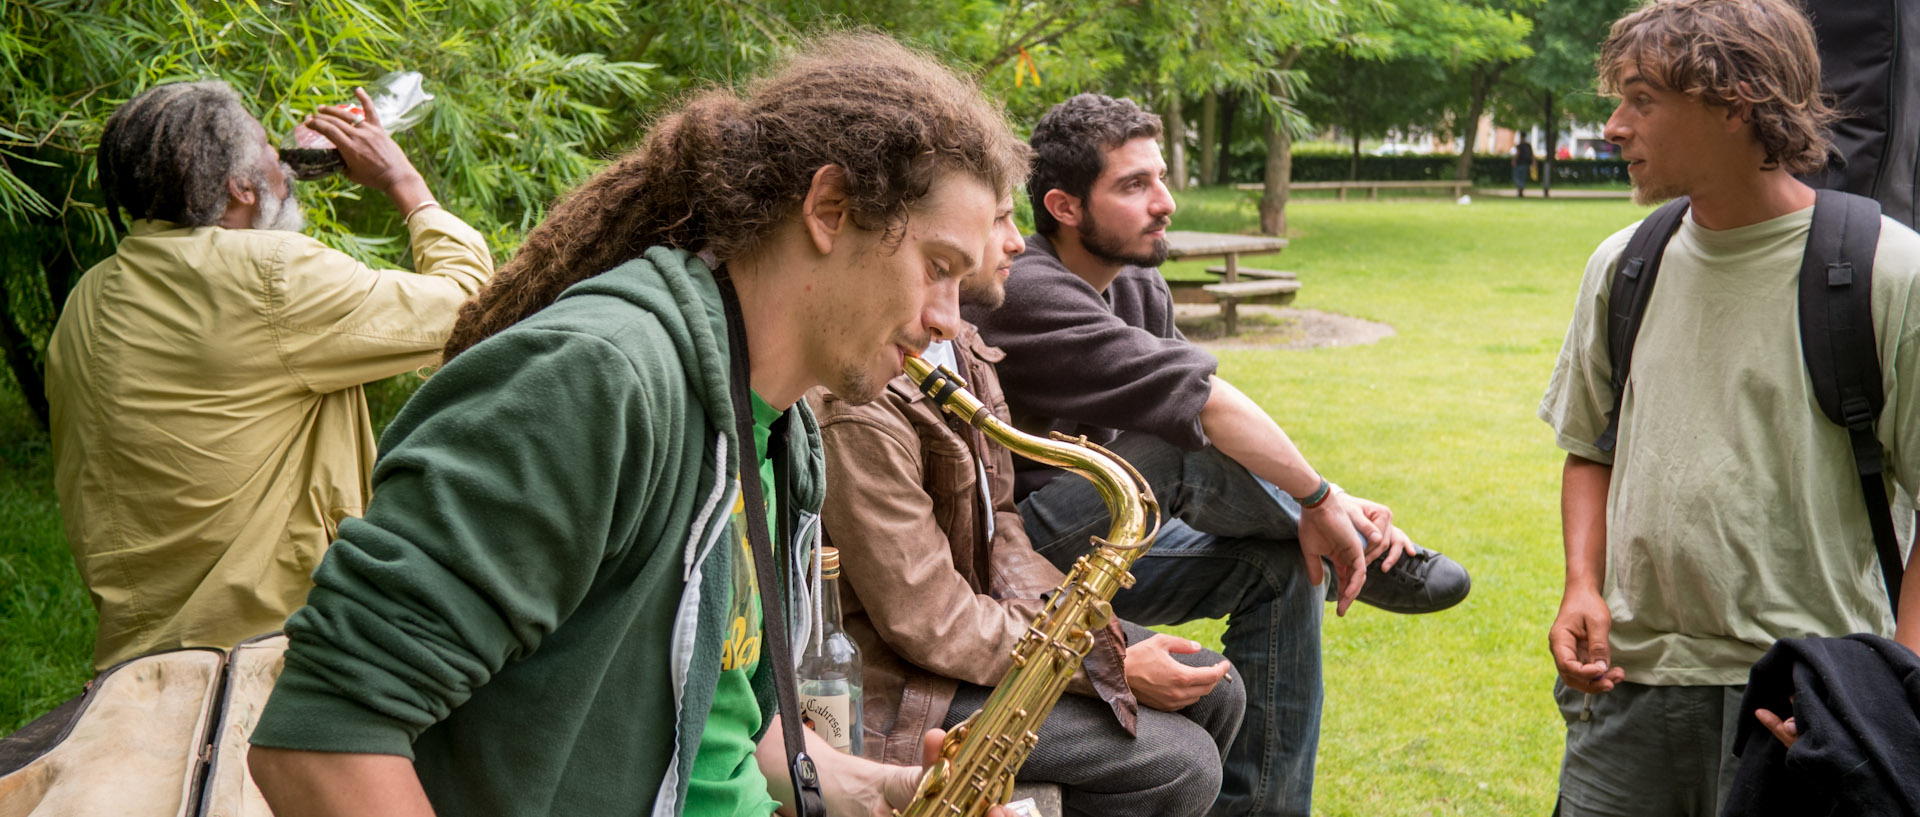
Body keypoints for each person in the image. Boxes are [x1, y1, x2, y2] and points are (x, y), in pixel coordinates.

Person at [244, 35, 1032, 817]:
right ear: (829, 209)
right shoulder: (597, 380)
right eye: (937, 266)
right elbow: (322, 737)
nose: (946, 321)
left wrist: (888, 789)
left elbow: (724, 727)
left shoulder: (784, 428)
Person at [969, 93, 1470, 817]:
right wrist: (1323, 499)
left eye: (1161, 177)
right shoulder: (1026, 288)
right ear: (1065, 206)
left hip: (1111, 539)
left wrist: (1323, 499)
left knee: (1285, 566)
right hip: (1015, 556)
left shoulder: (1137, 278)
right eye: (1134, 186)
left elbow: (1221, 417)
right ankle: (1357, 544)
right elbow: (1201, 408)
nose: (1164, 202)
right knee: (1167, 455)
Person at [1539, 1, 1920, 813]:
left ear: (1734, 102)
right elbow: (1591, 448)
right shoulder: (1624, 264)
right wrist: (1581, 582)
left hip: (1805, 694)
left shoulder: (1889, 272)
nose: (1613, 126)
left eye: (1641, 99)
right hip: (1628, 689)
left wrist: (1891, 694)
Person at [808, 195, 1244, 817]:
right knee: (1180, 763)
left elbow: (1003, 520)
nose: (1018, 242)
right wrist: (1104, 664)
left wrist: (1085, 634)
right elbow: (927, 622)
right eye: (1001, 220)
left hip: (973, 634)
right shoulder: (862, 404)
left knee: (1216, 689)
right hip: (903, 687)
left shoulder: (963, 346)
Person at [45, 80, 494, 670]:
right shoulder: (269, 276)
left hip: (139, 656)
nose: (283, 165)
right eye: (269, 151)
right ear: (240, 187)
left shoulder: (88, 298)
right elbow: (474, 305)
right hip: (272, 648)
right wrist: (403, 183)